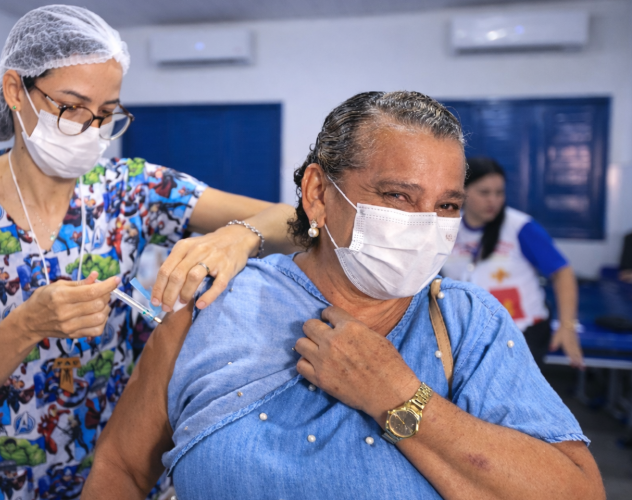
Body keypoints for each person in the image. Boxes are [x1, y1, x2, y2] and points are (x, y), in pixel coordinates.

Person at [84, 91, 604, 499]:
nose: (425, 226)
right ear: (318, 193)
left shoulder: (468, 324)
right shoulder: (211, 307)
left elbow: (577, 491)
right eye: (398, 196)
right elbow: (122, 468)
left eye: (446, 205)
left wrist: (399, 396)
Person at [0, 6, 298, 499]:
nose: (90, 129)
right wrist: (28, 324)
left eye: (107, 113)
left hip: (118, 468)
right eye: (71, 106)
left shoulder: (130, 189)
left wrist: (237, 237)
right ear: (15, 90)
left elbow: (290, 221)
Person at [441, 157, 584, 368]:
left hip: (521, 333)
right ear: (463, 192)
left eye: (499, 193)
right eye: (484, 192)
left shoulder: (520, 227)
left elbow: (562, 271)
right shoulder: (449, 227)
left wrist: (567, 326)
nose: (493, 201)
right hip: (473, 334)